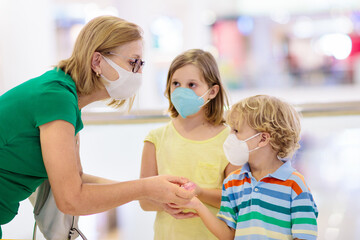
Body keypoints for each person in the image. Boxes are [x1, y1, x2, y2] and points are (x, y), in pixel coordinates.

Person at [0, 16, 195, 238]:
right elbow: (71, 199)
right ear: (97, 61)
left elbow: (76, 179)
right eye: (133, 62)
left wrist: (150, 192)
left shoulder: (65, 96)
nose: (138, 73)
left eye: (141, 64)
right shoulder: (56, 99)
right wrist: (146, 188)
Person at [175, 95, 318, 240]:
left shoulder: (295, 184)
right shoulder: (232, 182)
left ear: (263, 139)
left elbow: (305, 236)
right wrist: (197, 205)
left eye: (236, 131)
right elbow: (228, 235)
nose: (230, 136)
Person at [139, 49, 238, 239]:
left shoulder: (229, 140)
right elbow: (144, 201)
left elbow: (234, 199)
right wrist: (167, 204)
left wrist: (198, 193)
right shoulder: (155, 138)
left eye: (192, 84)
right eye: (176, 83)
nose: (182, 90)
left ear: (212, 91)